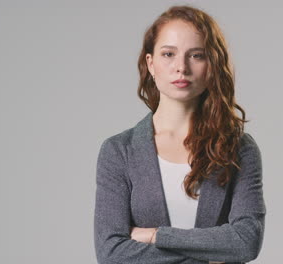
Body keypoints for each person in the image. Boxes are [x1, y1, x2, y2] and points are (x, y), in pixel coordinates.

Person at [94, 4, 266, 264]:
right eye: (168, 54)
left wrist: (156, 236)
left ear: (212, 64)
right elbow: (112, 253)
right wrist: (209, 258)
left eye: (196, 55)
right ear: (150, 64)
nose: (181, 67)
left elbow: (245, 241)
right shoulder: (119, 151)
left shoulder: (238, 148)